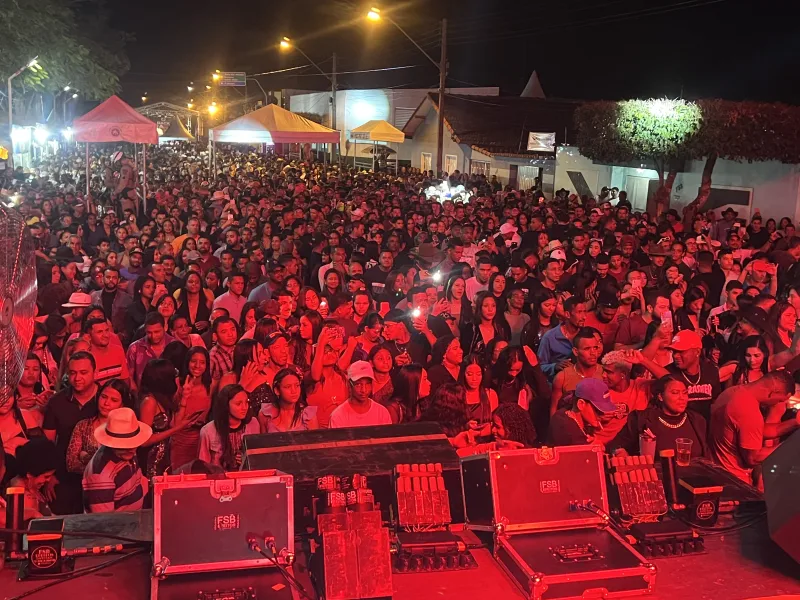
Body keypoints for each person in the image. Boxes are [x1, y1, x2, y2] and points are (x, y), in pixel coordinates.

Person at [710, 370, 799, 486]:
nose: (776, 404)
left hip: (718, 472)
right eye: (780, 400)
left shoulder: (733, 392)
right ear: (773, 392)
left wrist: (796, 422)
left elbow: (754, 431)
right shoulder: (749, 410)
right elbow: (753, 458)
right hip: (734, 482)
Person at [43, 350, 100, 514]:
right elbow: (48, 444)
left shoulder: (106, 398)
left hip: (99, 475)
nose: (77, 378)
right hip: (63, 476)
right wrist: (50, 475)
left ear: (95, 373)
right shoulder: (57, 402)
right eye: (73, 373)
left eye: (83, 372)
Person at [607, 375, 708, 459]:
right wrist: (621, 453)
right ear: (660, 396)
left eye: (684, 393)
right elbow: (615, 446)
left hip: (694, 479)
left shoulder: (697, 420)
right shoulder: (642, 419)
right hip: (656, 478)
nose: (682, 398)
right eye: (675, 393)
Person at [138, 358, 202, 477]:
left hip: (163, 458)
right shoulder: (149, 402)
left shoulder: (161, 398)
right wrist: (177, 430)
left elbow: (174, 423)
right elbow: (144, 441)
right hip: (150, 461)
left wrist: (184, 398)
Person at [83, 407, 150, 513]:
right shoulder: (101, 476)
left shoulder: (127, 452)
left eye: (133, 443)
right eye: (123, 444)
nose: (130, 448)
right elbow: (105, 522)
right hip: (124, 527)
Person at [66, 379, 132, 475]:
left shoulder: (126, 430)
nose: (106, 403)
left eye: (114, 400)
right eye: (104, 397)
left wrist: (85, 457)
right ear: (98, 397)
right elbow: (71, 464)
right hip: (85, 485)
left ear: (122, 405)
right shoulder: (83, 426)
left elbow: (126, 464)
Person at [198, 384, 260, 469]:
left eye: (246, 402)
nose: (245, 407)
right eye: (238, 404)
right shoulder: (208, 431)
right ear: (226, 405)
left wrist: (247, 461)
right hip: (220, 479)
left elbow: (260, 459)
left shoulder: (253, 424)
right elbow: (203, 467)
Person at [171, 347, 213, 470]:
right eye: (193, 361)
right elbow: (176, 423)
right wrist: (184, 397)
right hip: (180, 439)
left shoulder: (211, 385)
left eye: (202, 362)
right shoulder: (178, 383)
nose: (197, 366)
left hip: (201, 440)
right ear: (187, 362)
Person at [550, 327, 604, 415]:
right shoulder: (562, 378)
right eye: (587, 349)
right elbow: (554, 413)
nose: (593, 353)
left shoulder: (605, 374)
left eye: (595, 348)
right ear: (575, 351)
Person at [548, 379, 617, 446]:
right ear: (581, 404)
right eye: (597, 410)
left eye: (603, 411)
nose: (602, 415)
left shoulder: (572, 415)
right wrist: (597, 449)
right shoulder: (566, 427)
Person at [8, 438, 60, 522]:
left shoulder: (32, 486)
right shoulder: (21, 494)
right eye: (46, 476)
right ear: (30, 474)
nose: (49, 480)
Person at [329, 361, 392, 428]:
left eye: (368, 384)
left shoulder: (382, 413)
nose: (363, 390)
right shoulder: (338, 416)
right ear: (349, 385)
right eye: (358, 384)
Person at [538, 297, 588, 378]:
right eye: (579, 312)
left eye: (585, 312)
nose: (584, 317)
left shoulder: (587, 334)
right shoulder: (550, 337)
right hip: (557, 383)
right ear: (567, 314)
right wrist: (555, 366)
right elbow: (539, 366)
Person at [259, 368, 319, 432]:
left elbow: (317, 441)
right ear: (277, 390)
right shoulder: (265, 414)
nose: (294, 391)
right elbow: (263, 441)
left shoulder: (308, 415)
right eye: (288, 387)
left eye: (297, 385)